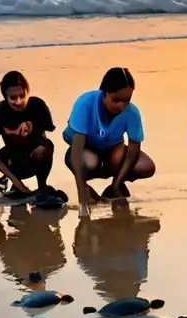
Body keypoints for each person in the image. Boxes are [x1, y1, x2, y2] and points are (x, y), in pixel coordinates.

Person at [63, 67, 155, 215]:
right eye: (117, 100)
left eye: (127, 100)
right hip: (85, 148)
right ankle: (87, 188)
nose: (122, 106)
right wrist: (82, 199)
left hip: (112, 150)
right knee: (90, 161)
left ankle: (115, 185)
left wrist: (116, 184)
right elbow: (76, 151)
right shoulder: (85, 103)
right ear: (104, 93)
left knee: (146, 166)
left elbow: (133, 150)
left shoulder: (131, 112)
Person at [0, 71, 56, 193]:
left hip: (36, 156)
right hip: (13, 160)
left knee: (45, 148)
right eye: (13, 98)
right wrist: (18, 184)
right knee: (2, 156)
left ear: (28, 92)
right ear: (5, 97)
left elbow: (48, 135)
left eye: (22, 96)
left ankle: (42, 186)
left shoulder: (38, 106)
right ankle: (11, 182)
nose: (19, 101)